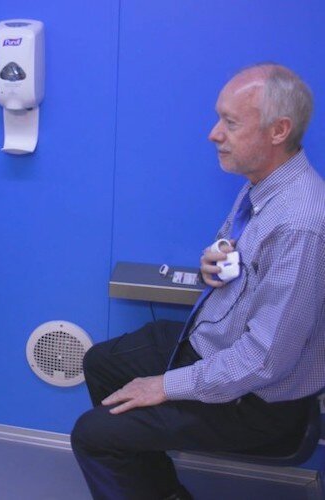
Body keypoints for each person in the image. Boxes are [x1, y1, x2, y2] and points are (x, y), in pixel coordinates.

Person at [71, 63, 325, 500]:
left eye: (230, 122)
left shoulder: (302, 224)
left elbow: (265, 361)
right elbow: (241, 256)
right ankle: (158, 491)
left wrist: (164, 386)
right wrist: (217, 260)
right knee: (102, 363)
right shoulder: (262, 186)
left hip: (260, 401)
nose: (213, 133)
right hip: (218, 343)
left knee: (95, 434)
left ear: (278, 130)